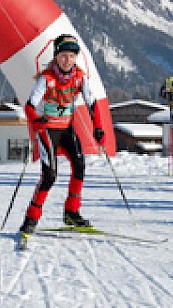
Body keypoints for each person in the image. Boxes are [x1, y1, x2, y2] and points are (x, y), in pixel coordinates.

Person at [19, 34, 105, 234]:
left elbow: (93, 103)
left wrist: (98, 127)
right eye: (64, 56)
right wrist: (37, 122)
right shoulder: (47, 78)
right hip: (48, 130)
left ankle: (71, 213)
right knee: (49, 175)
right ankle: (31, 218)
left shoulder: (79, 77)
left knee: (80, 166)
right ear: (57, 57)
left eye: (72, 56)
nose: (68, 60)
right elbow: (30, 106)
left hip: (67, 129)